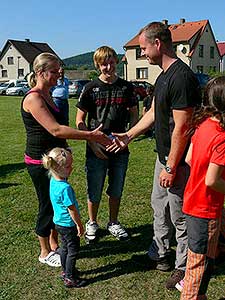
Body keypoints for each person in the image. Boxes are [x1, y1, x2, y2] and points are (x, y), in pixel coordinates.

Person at [107, 22, 201, 289]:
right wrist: (128, 135)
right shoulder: (162, 77)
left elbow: (182, 127)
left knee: (180, 216)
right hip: (164, 157)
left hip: (178, 161)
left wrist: (171, 167)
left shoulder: (181, 77)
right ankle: (159, 254)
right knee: (159, 208)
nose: (143, 53)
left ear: (158, 44)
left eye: (144, 47)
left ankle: (183, 268)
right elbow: (153, 114)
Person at [21, 52, 111, 267]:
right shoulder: (34, 98)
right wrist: (90, 135)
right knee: (47, 206)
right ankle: (44, 252)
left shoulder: (49, 94)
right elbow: (55, 130)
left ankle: (53, 245)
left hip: (53, 159)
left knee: (55, 203)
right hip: (40, 162)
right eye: (54, 70)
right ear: (41, 73)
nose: (59, 73)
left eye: (60, 69)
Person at [76, 46, 138, 243]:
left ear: (117, 62)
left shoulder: (127, 87)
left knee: (116, 188)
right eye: (104, 63)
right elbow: (79, 119)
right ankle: (92, 222)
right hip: (97, 148)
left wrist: (128, 136)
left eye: (111, 62)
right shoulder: (90, 88)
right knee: (94, 188)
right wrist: (92, 142)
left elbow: (135, 114)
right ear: (97, 65)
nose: (108, 67)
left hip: (120, 147)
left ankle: (113, 222)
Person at [178, 76, 225, 299]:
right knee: (198, 267)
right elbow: (212, 180)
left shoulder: (203, 126)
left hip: (193, 204)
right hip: (205, 210)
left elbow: (188, 159)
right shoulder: (222, 137)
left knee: (201, 261)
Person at [42, 147, 87, 288]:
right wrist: (79, 225)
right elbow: (72, 209)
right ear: (58, 168)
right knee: (73, 250)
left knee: (64, 248)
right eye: (68, 166)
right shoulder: (65, 188)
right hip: (68, 224)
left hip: (58, 223)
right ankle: (69, 277)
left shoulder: (53, 181)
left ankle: (65, 271)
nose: (71, 168)